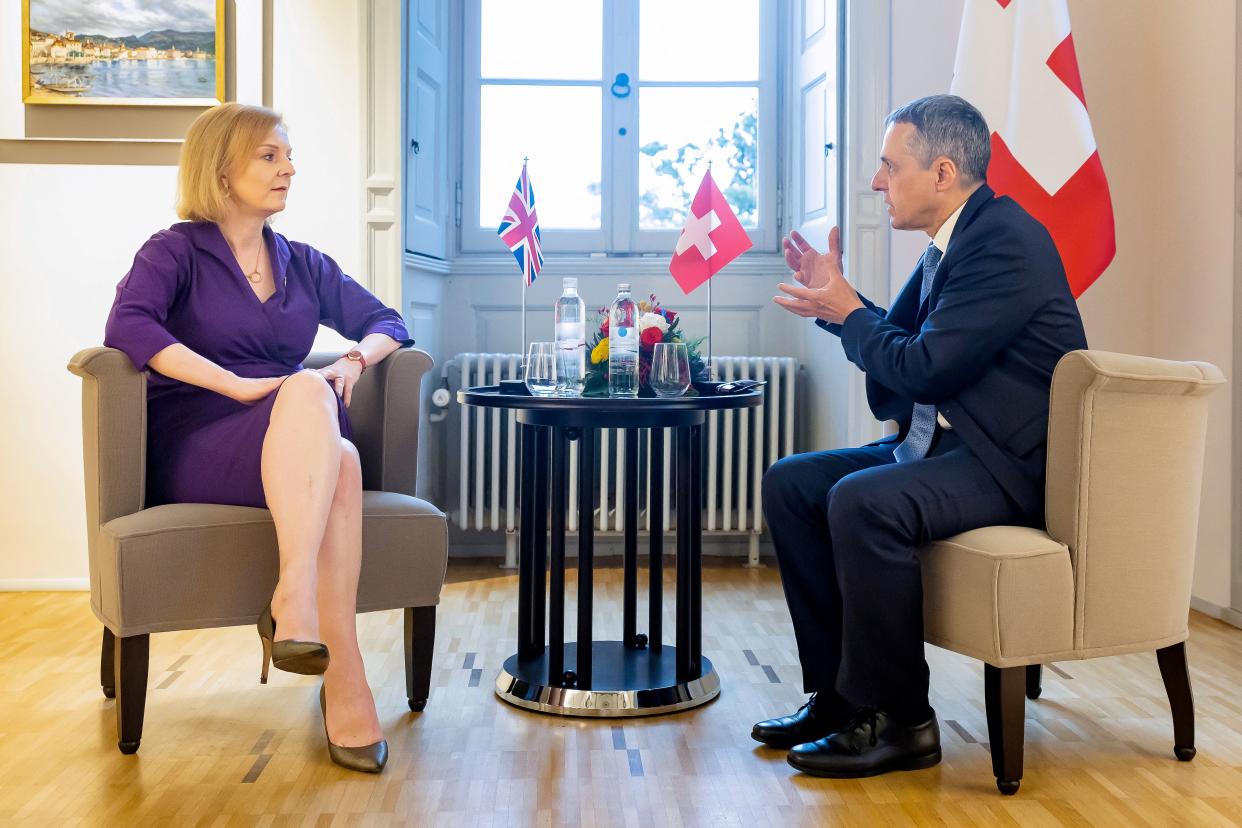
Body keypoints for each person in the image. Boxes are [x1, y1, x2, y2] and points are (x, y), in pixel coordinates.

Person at [755, 94, 1088, 778]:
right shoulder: (949, 245)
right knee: (792, 483)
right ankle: (840, 699)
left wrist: (851, 315)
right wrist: (837, 303)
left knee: (862, 499)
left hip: (1007, 463)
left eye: (888, 166)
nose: (877, 182)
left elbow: (923, 366)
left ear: (941, 172)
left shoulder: (1003, 241)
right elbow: (900, 365)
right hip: (946, 445)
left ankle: (903, 720)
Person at [103, 102, 412, 774]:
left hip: (294, 433)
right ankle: (336, 665)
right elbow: (128, 328)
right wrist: (234, 385)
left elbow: (387, 320)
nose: (289, 168)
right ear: (221, 168)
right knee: (334, 439)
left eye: (288, 155)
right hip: (203, 436)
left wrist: (354, 359)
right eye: (270, 156)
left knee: (329, 427)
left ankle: (303, 618)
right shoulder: (173, 251)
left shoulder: (301, 262)